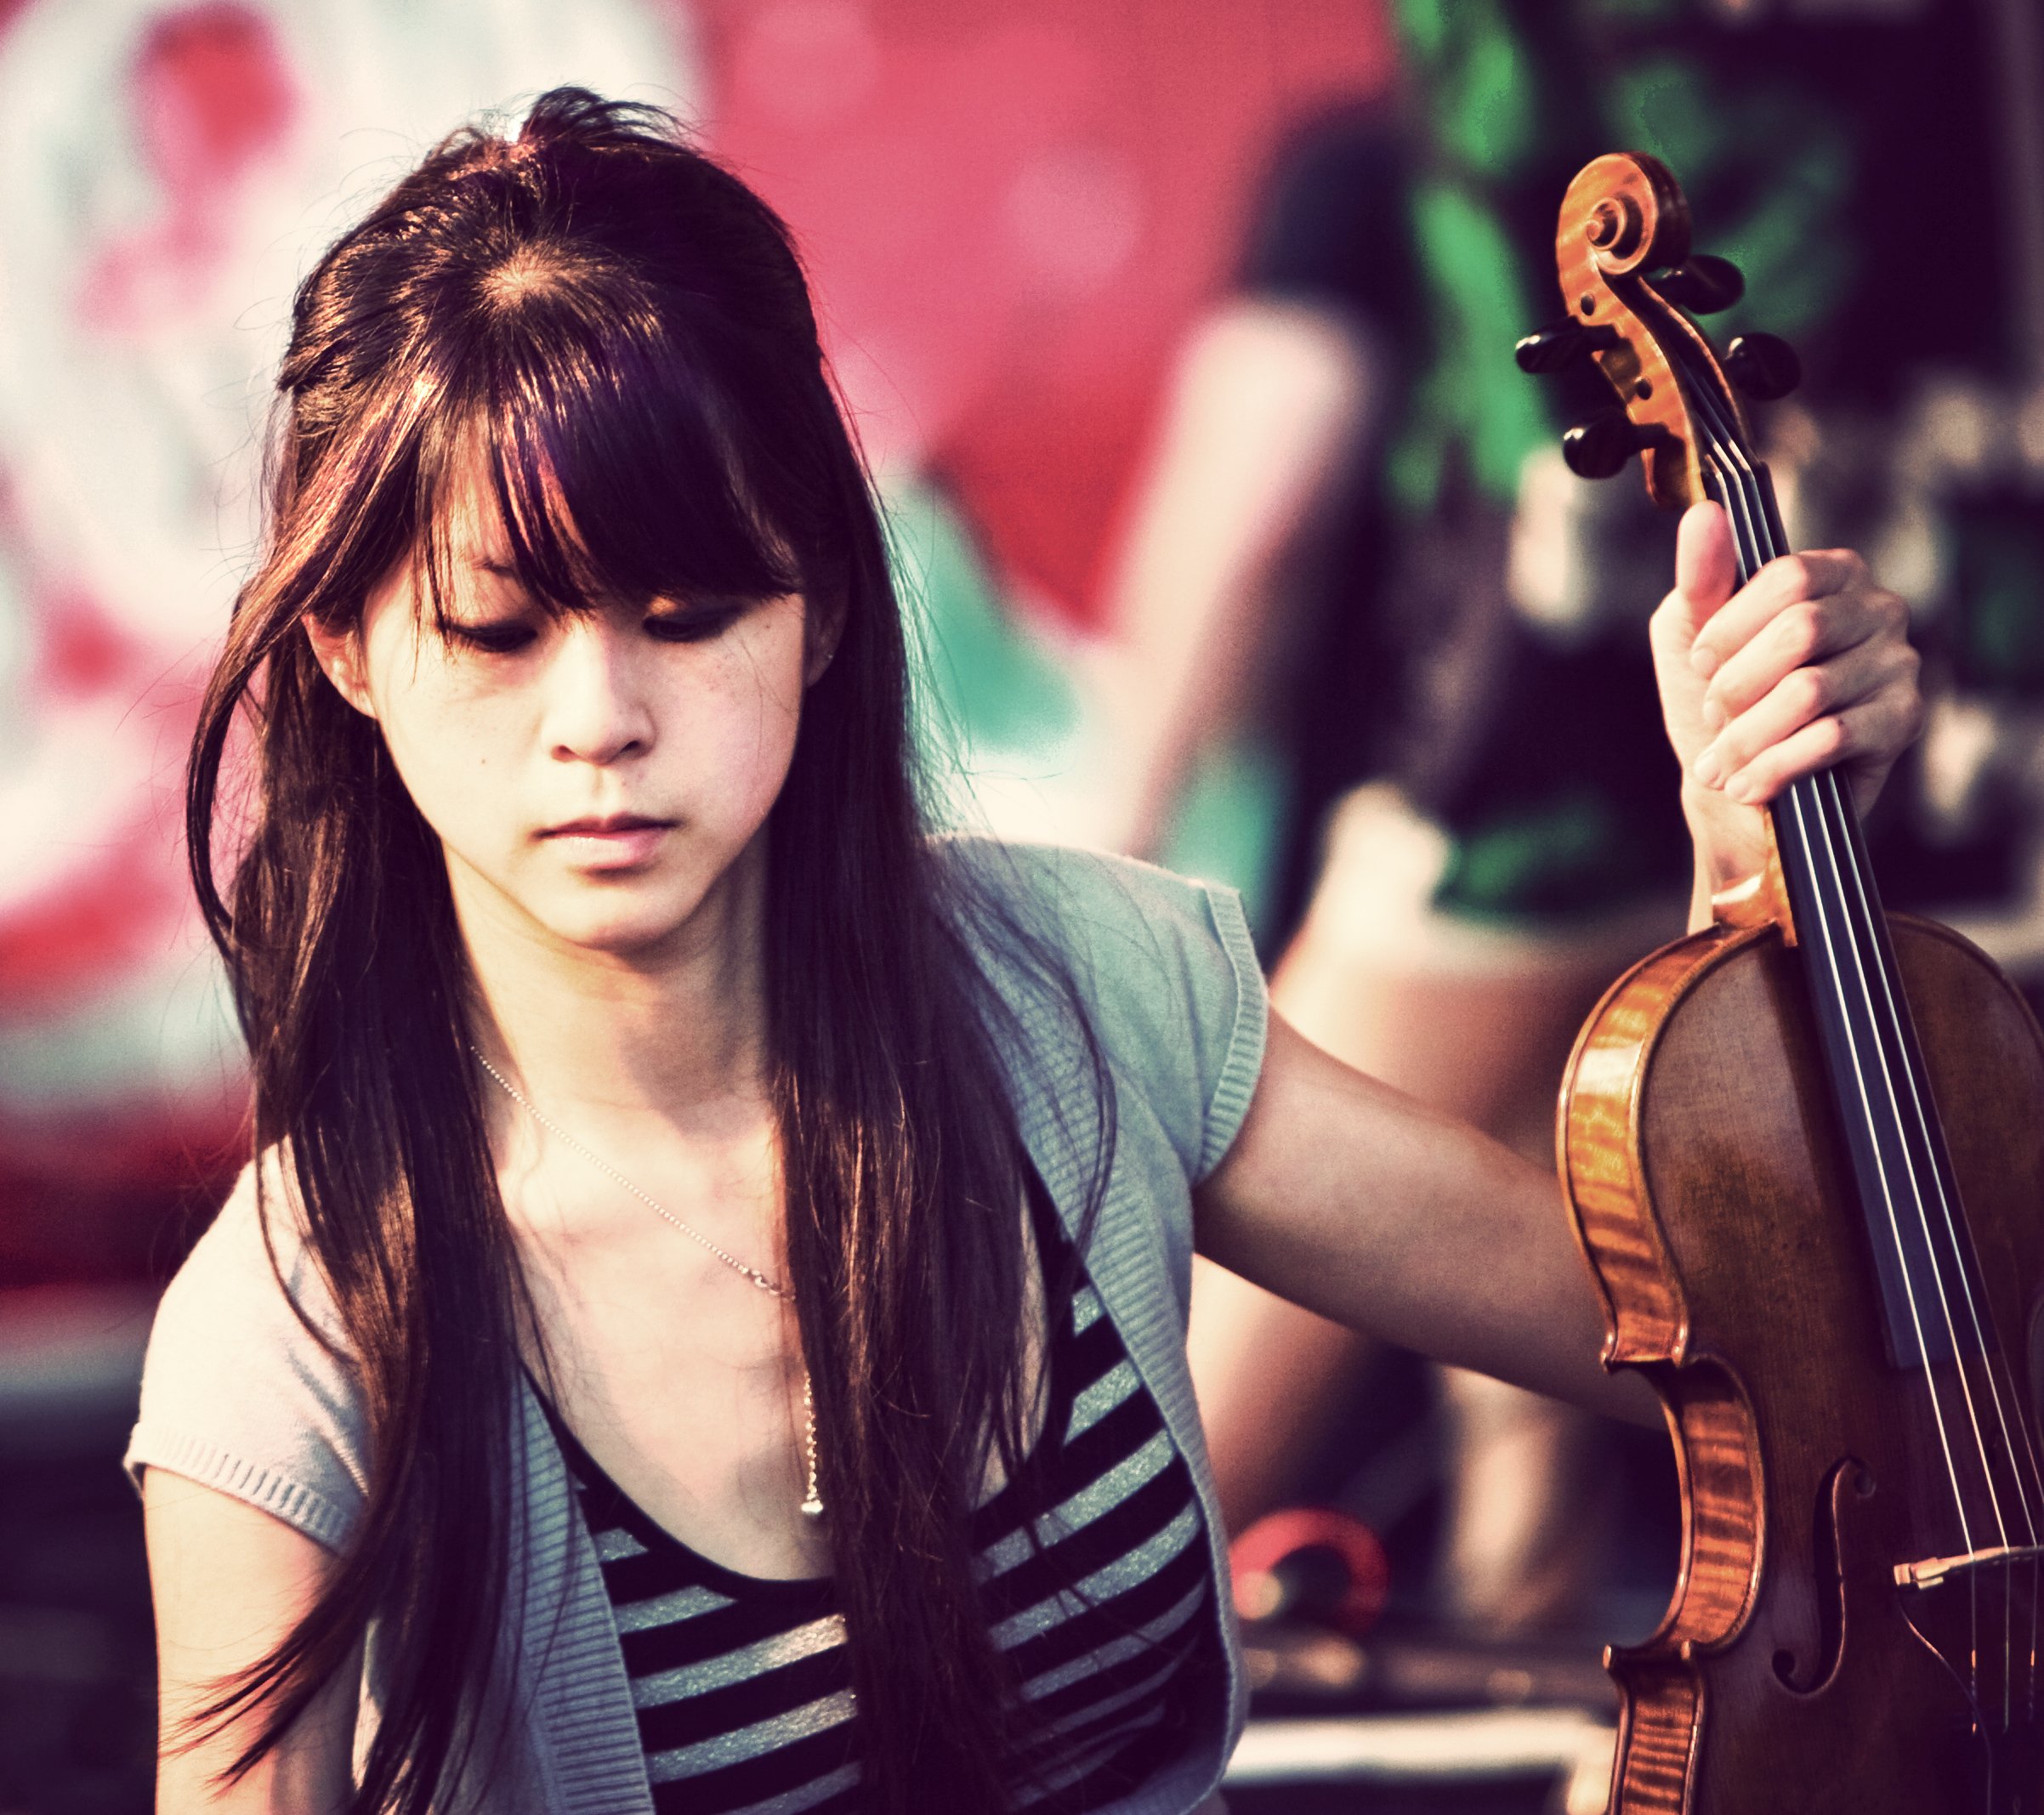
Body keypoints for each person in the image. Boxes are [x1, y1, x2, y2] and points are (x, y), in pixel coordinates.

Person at [128, 90, 1922, 1814]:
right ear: (349, 650)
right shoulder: (296, 1338)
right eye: (496, 630)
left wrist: (1747, 869)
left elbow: (1726, 1346)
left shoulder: (1082, 992)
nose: (599, 719)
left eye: (690, 615)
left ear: (824, 605)